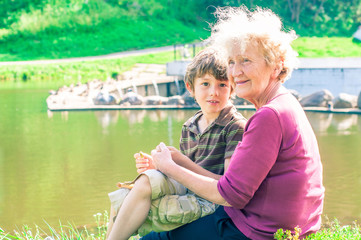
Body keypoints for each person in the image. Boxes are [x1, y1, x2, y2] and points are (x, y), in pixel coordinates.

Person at [146, 6, 325, 240]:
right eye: (231, 61)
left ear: (277, 65)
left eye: (246, 61)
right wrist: (180, 162)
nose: (235, 72)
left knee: (156, 238)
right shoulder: (285, 102)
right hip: (288, 225)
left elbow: (231, 195)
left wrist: (169, 167)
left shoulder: (269, 115)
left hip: (260, 231)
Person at [106, 47, 247, 240]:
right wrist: (160, 167)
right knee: (126, 193)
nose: (214, 92)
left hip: (211, 203)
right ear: (191, 88)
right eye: (205, 84)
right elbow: (182, 177)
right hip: (189, 192)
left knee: (135, 205)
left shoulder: (235, 127)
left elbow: (227, 187)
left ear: (232, 88)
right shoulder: (190, 125)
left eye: (222, 85)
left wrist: (177, 162)